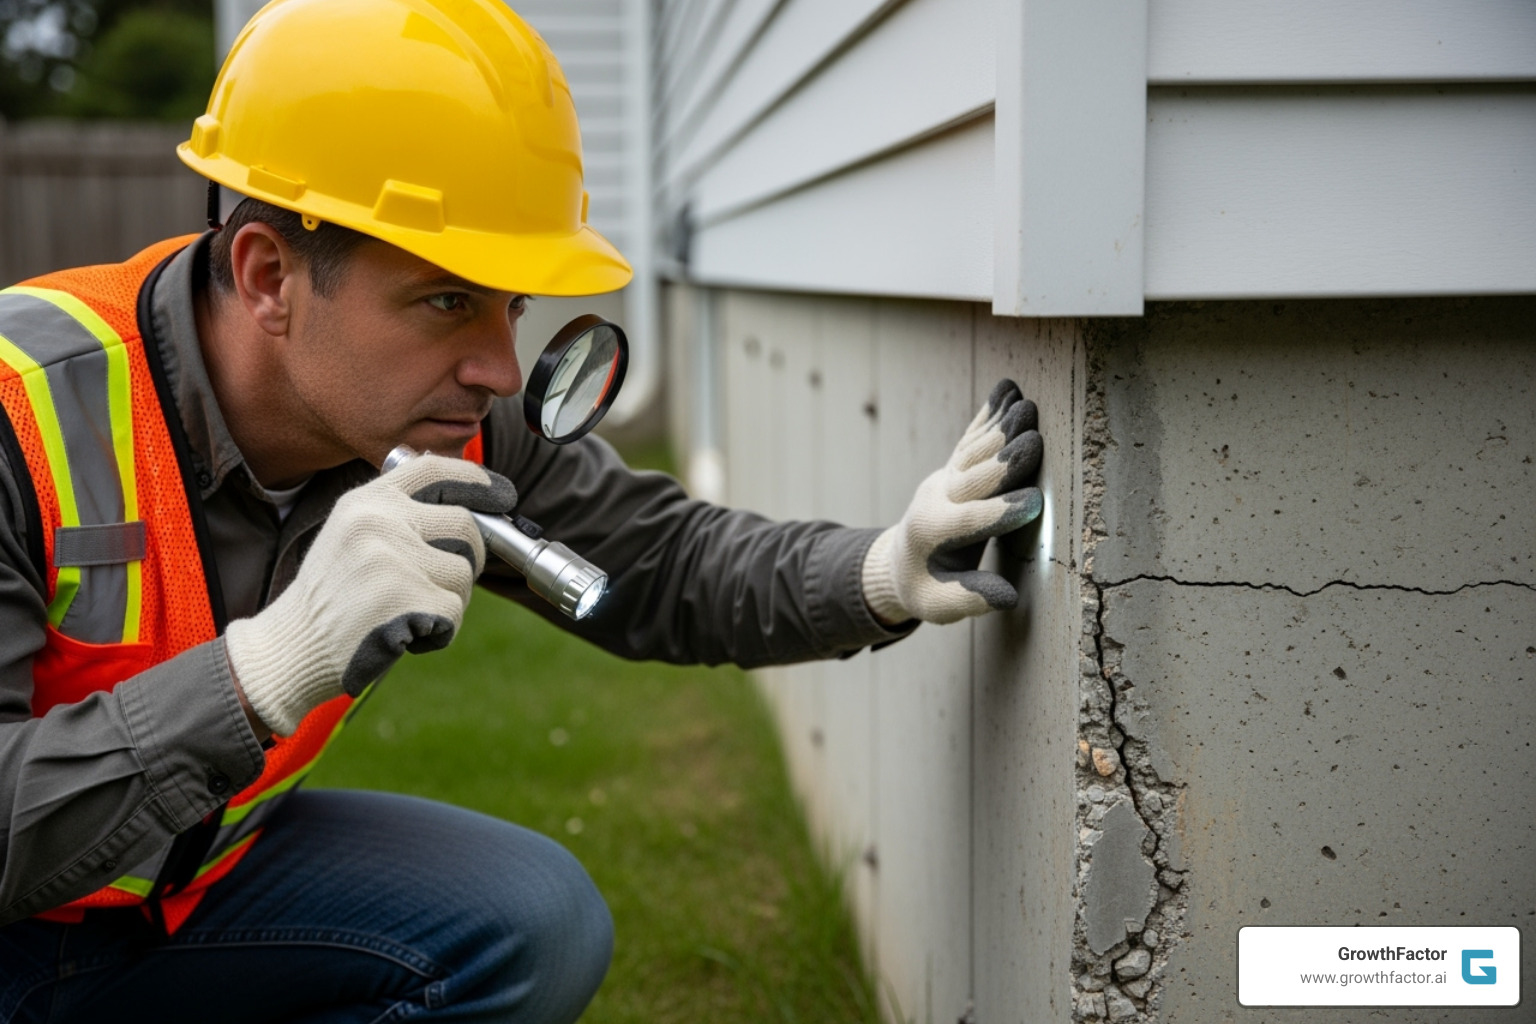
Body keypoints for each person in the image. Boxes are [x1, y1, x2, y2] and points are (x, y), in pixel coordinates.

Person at [0, 0, 1043, 1020]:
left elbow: (659, 564)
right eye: (448, 299)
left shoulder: (428, 419)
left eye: (514, 308)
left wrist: (881, 573)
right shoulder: (21, 411)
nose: (500, 370)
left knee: (535, 923)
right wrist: (264, 672)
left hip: (185, 889)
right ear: (270, 275)